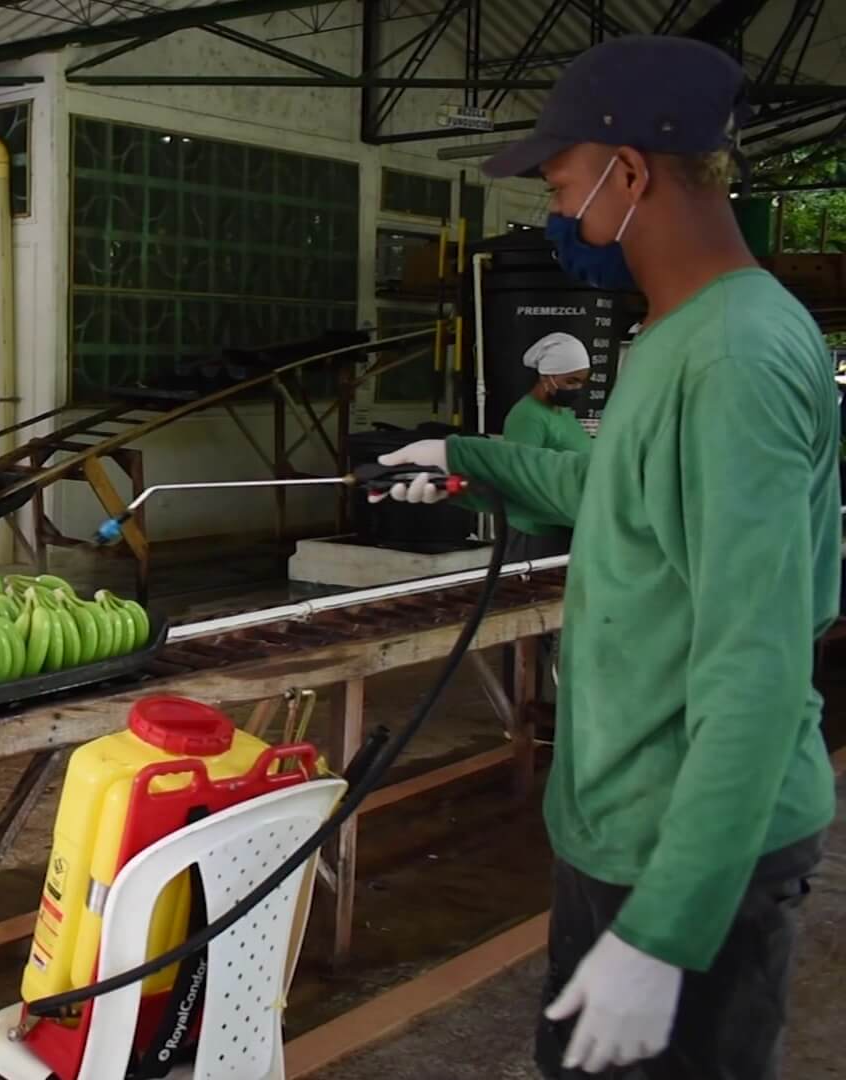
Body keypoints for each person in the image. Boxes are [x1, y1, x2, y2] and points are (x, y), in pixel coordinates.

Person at [376, 36, 834, 1078]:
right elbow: (615, 494)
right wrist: (470, 457)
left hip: (691, 839)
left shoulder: (736, 359)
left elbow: (757, 664)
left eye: (562, 181)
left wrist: (667, 929)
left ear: (630, 173)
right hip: (627, 823)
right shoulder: (678, 332)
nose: (558, 213)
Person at [502, 331, 595, 561]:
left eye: (582, 381)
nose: (577, 388)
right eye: (571, 381)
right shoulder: (528, 416)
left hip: (564, 524)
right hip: (536, 532)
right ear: (547, 377)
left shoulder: (562, 413)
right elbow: (520, 476)